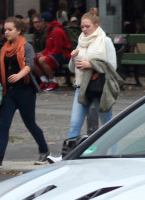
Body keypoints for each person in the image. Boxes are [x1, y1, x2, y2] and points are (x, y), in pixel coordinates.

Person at [0, 17, 53, 169]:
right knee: (4, 124)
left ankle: (44, 151)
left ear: (19, 30)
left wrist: (19, 75)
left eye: (10, 29)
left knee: (30, 123)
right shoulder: (4, 48)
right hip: (8, 92)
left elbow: (30, 65)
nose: (7, 32)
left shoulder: (26, 46)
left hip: (25, 91)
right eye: (5, 30)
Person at [67, 8, 121, 139]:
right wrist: (73, 57)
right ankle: (67, 156)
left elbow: (112, 66)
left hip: (100, 88)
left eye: (87, 26)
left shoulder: (105, 41)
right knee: (74, 125)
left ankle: (113, 153)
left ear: (96, 26)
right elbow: (71, 68)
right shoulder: (81, 42)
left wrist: (90, 65)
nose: (84, 30)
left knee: (107, 125)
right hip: (82, 88)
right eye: (82, 27)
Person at [34, 10, 72, 91]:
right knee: (33, 58)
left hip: (62, 57)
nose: (40, 24)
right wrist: (42, 53)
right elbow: (48, 48)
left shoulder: (57, 31)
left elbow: (57, 50)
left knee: (42, 59)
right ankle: (44, 80)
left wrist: (44, 55)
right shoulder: (50, 30)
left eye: (41, 21)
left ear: (44, 22)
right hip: (54, 54)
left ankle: (53, 81)